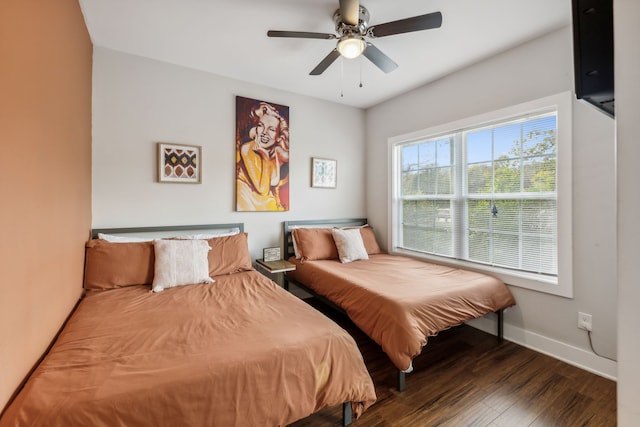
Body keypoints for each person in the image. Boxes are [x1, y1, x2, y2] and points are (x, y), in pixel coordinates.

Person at [236, 101, 289, 211]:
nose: (264, 132)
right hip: (245, 199)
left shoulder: (277, 152)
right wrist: (265, 157)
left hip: (267, 207)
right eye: (261, 125)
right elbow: (263, 189)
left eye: (272, 129)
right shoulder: (247, 149)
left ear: (279, 137)